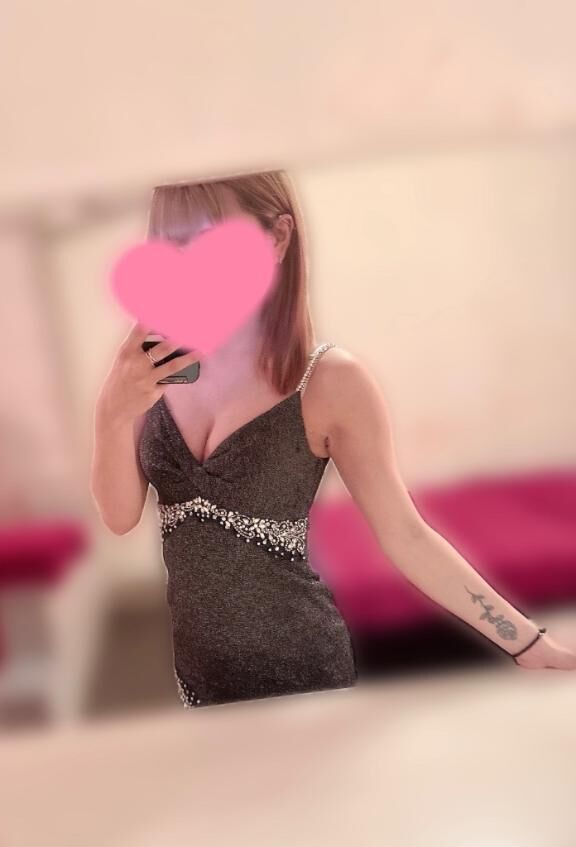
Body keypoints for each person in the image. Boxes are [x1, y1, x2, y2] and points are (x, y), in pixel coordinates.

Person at [91, 170, 576, 709]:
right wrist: (112, 411)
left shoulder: (330, 382)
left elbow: (406, 535)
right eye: (171, 241)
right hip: (199, 684)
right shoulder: (150, 369)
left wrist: (527, 643)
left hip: (306, 677)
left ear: (277, 237)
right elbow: (119, 515)